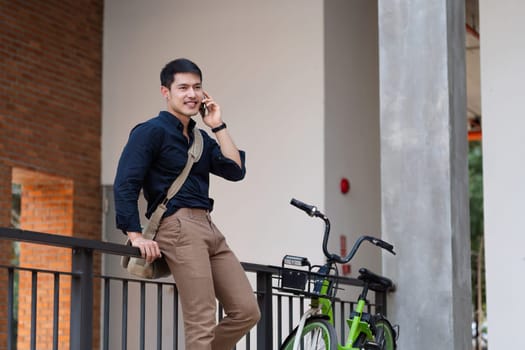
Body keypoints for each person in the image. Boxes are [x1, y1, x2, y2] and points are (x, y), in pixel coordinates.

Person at [114, 58, 260, 349]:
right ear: (165, 91)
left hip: (208, 227)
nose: (191, 94)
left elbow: (236, 170)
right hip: (177, 226)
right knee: (201, 322)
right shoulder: (151, 132)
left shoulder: (200, 138)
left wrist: (218, 125)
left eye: (197, 87)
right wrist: (135, 235)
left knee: (246, 311)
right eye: (182, 87)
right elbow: (126, 184)